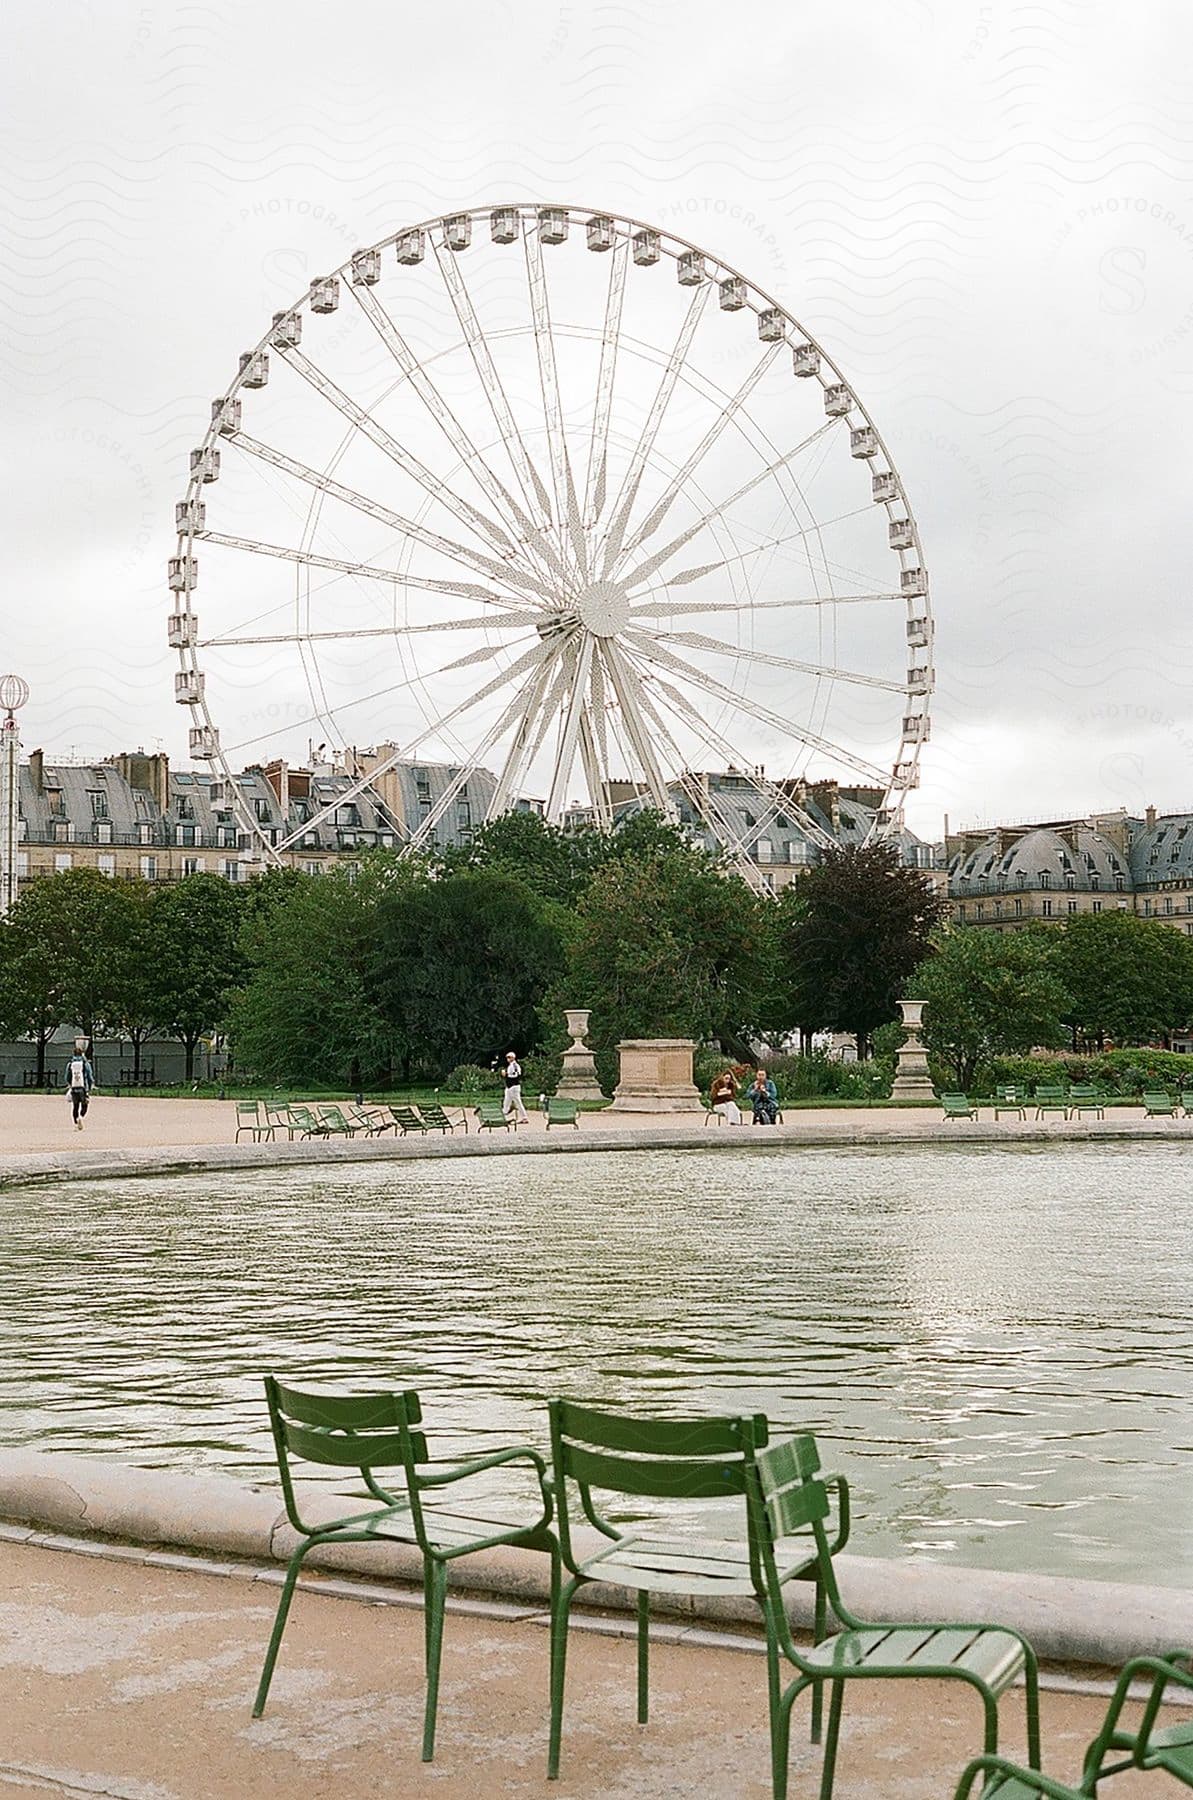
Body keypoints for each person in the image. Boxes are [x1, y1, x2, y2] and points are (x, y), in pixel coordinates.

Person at [64, 1047, 95, 1131]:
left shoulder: (70, 1064)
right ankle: (81, 1116)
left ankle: (76, 1122)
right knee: (85, 1104)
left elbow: (67, 1077)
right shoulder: (85, 1063)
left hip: (74, 1087)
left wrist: (70, 1084)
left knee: (75, 1106)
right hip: (83, 1087)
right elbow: (89, 1075)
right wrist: (91, 1084)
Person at [501, 1050, 531, 1125]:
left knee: (518, 1102)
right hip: (509, 1087)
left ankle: (524, 1117)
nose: (508, 1059)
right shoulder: (510, 1065)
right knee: (506, 1102)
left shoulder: (515, 1066)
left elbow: (517, 1075)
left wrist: (507, 1075)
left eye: (509, 1057)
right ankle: (502, 1117)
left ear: (513, 1058)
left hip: (513, 1087)